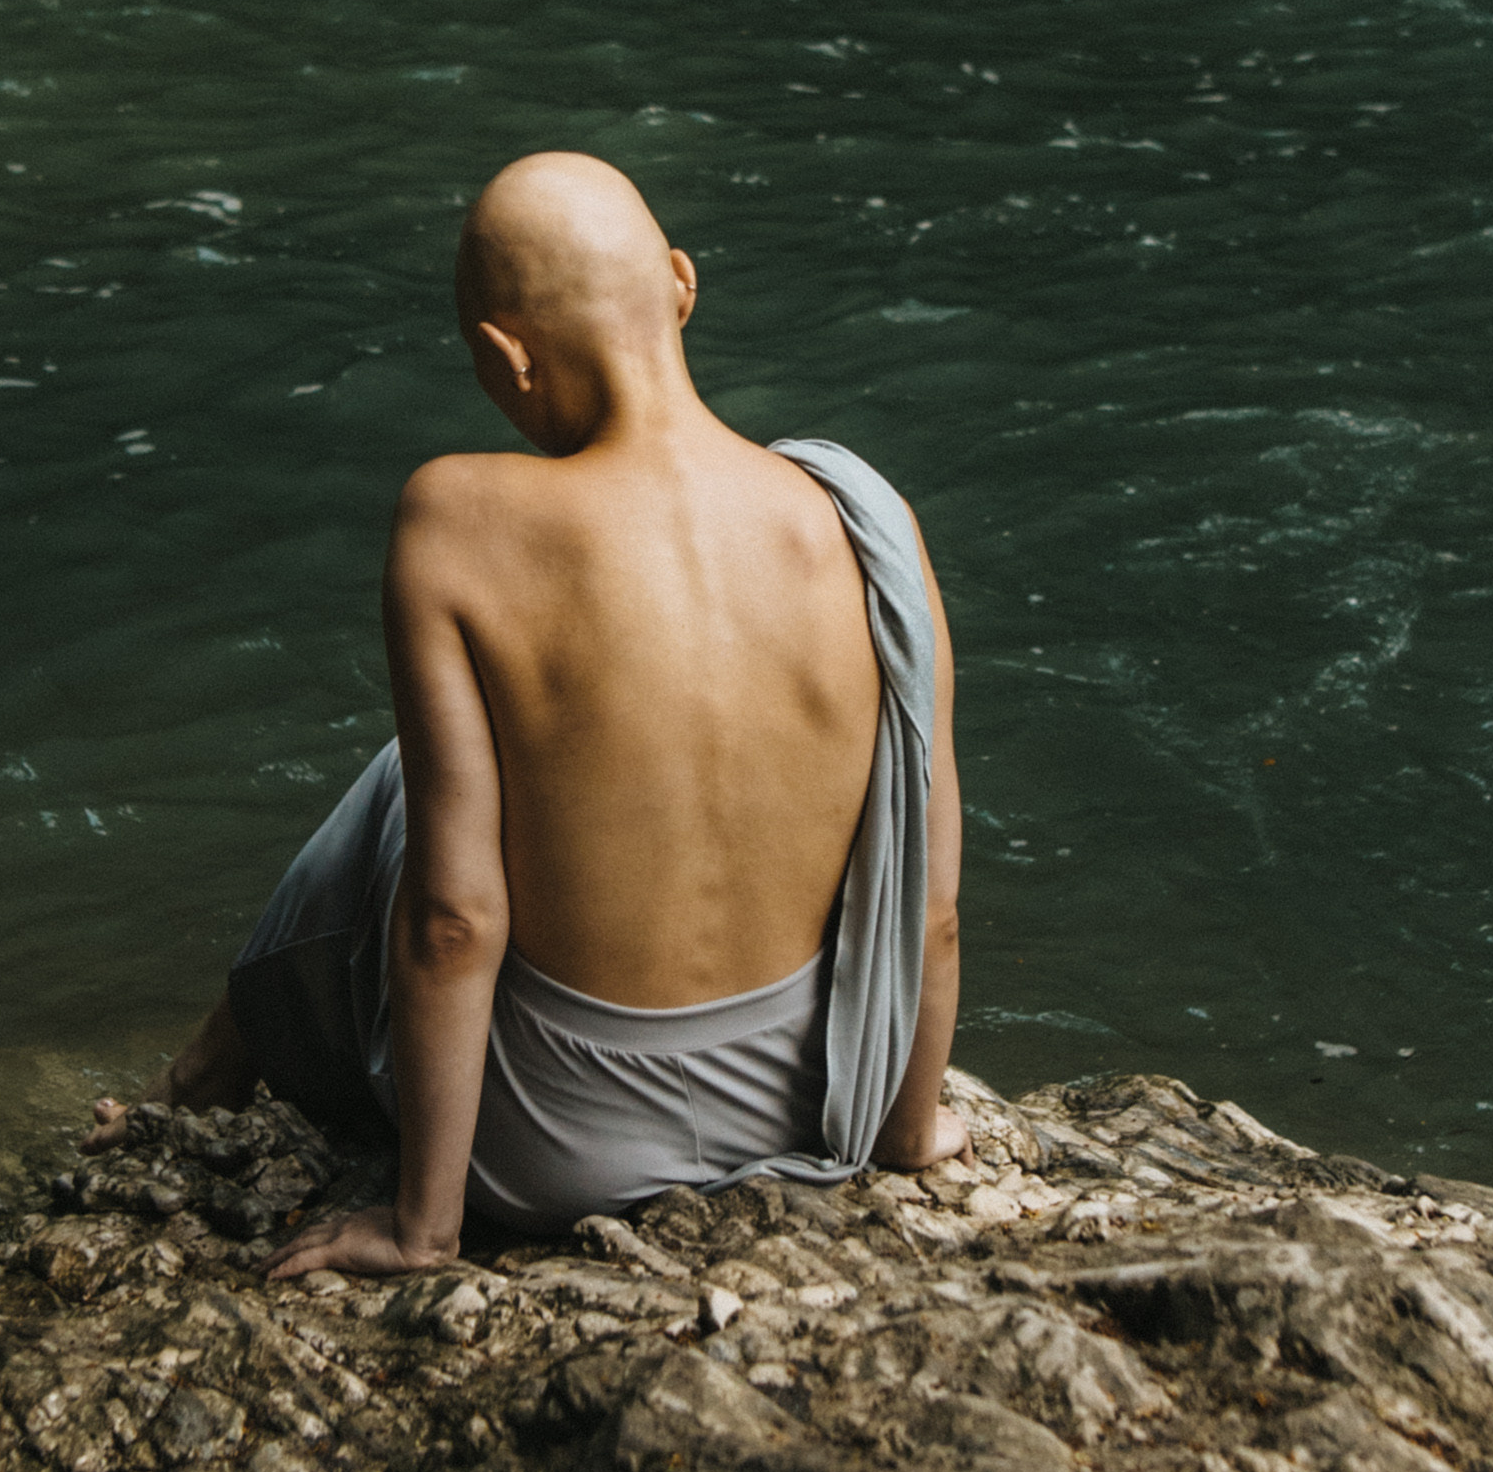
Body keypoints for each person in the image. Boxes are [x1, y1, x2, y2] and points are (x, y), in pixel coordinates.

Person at [82, 151, 967, 1276]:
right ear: (682, 284)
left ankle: (201, 1080)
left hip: (556, 1145)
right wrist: (906, 1131)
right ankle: (204, 1075)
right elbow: (931, 901)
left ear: (507, 354)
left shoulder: (457, 519)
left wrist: (423, 1226)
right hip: (817, 1102)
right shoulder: (860, 516)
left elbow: (453, 918)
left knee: (411, 775)